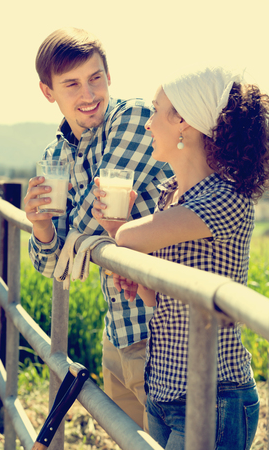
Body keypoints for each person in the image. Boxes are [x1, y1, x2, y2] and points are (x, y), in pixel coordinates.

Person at [92, 64, 269, 449]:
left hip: (211, 398)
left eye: (156, 111)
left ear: (184, 124)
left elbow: (128, 236)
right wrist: (140, 275)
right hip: (164, 391)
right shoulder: (170, 194)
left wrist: (117, 230)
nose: (148, 124)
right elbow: (162, 300)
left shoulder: (225, 197)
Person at [23, 27, 173, 431]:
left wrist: (63, 235)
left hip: (161, 328)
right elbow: (54, 264)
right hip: (118, 328)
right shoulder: (56, 153)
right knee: (128, 440)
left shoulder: (136, 117)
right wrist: (39, 226)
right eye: (71, 84)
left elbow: (93, 217)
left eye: (96, 78)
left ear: (109, 76)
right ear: (47, 91)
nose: (88, 94)